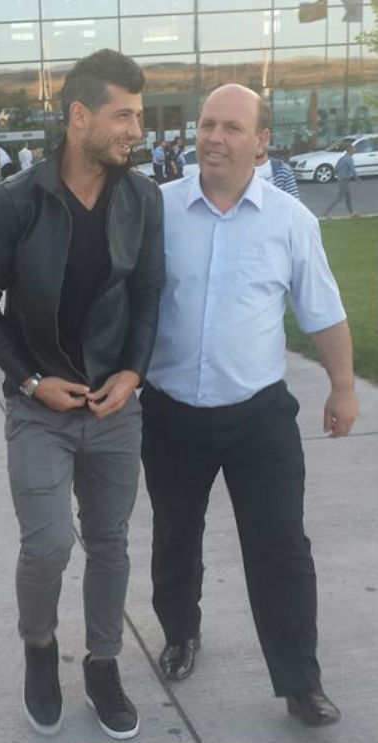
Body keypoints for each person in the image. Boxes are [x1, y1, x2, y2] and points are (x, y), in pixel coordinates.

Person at [140, 84, 358, 728]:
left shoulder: (290, 221)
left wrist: (343, 386)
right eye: (207, 123)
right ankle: (181, 633)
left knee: (281, 547)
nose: (214, 137)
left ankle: (301, 683)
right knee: (174, 536)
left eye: (231, 127)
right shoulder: (158, 209)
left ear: (261, 143)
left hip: (258, 415)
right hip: (170, 413)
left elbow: (323, 311)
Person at [0, 49, 164, 740]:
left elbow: (148, 293)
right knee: (48, 544)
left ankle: (103, 662)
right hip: (38, 409)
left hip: (115, 409)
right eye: (124, 116)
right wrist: (28, 379)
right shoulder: (16, 200)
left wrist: (133, 373)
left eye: (138, 116)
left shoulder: (143, 199)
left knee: (109, 542)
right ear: (79, 116)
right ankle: (41, 647)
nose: (136, 130)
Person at [254, 107, 300, 199]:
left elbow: (294, 204)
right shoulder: (235, 171)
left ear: (267, 137)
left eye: (261, 137)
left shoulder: (282, 170)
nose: (258, 142)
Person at [321, 143, 359, 218]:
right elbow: (352, 169)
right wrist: (357, 178)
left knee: (348, 197)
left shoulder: (342, 158)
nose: (354, 151)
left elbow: (336, 168)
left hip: (342, 180)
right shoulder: (349, 159)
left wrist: (338, 176)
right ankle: (326, 212)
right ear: (350, 150)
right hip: (344, 180)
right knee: (339, 198)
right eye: (353, 149)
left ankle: (351, 212)